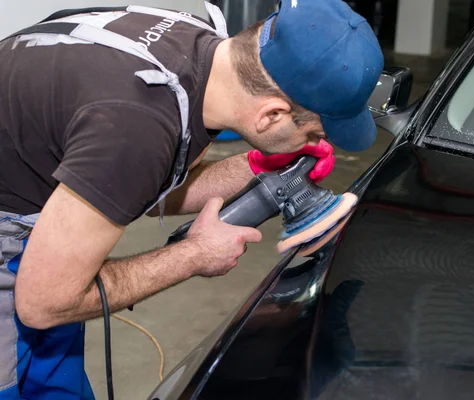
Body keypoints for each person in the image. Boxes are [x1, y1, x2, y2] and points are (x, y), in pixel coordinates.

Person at [0, 0, 383, 398]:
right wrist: (193, 255)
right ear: (270, 115)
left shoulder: (200, 51)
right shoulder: (136, 125)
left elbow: (140, 188)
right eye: (313, 134)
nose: (315, 145)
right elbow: (44, 302)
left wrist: (259, 164)